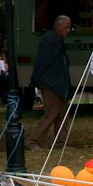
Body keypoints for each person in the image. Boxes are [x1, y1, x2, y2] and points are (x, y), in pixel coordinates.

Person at [26, 15, 71, 150]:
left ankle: (60, 143)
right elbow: (43, 62)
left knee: (63, 114)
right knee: (51, 113)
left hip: (59, 83)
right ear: (58, 26)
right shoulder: (49, 40)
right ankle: (33, 141)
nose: (68, 30)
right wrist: (36, 79)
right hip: (51, 83)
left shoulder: (57, 40)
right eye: (66, 27)